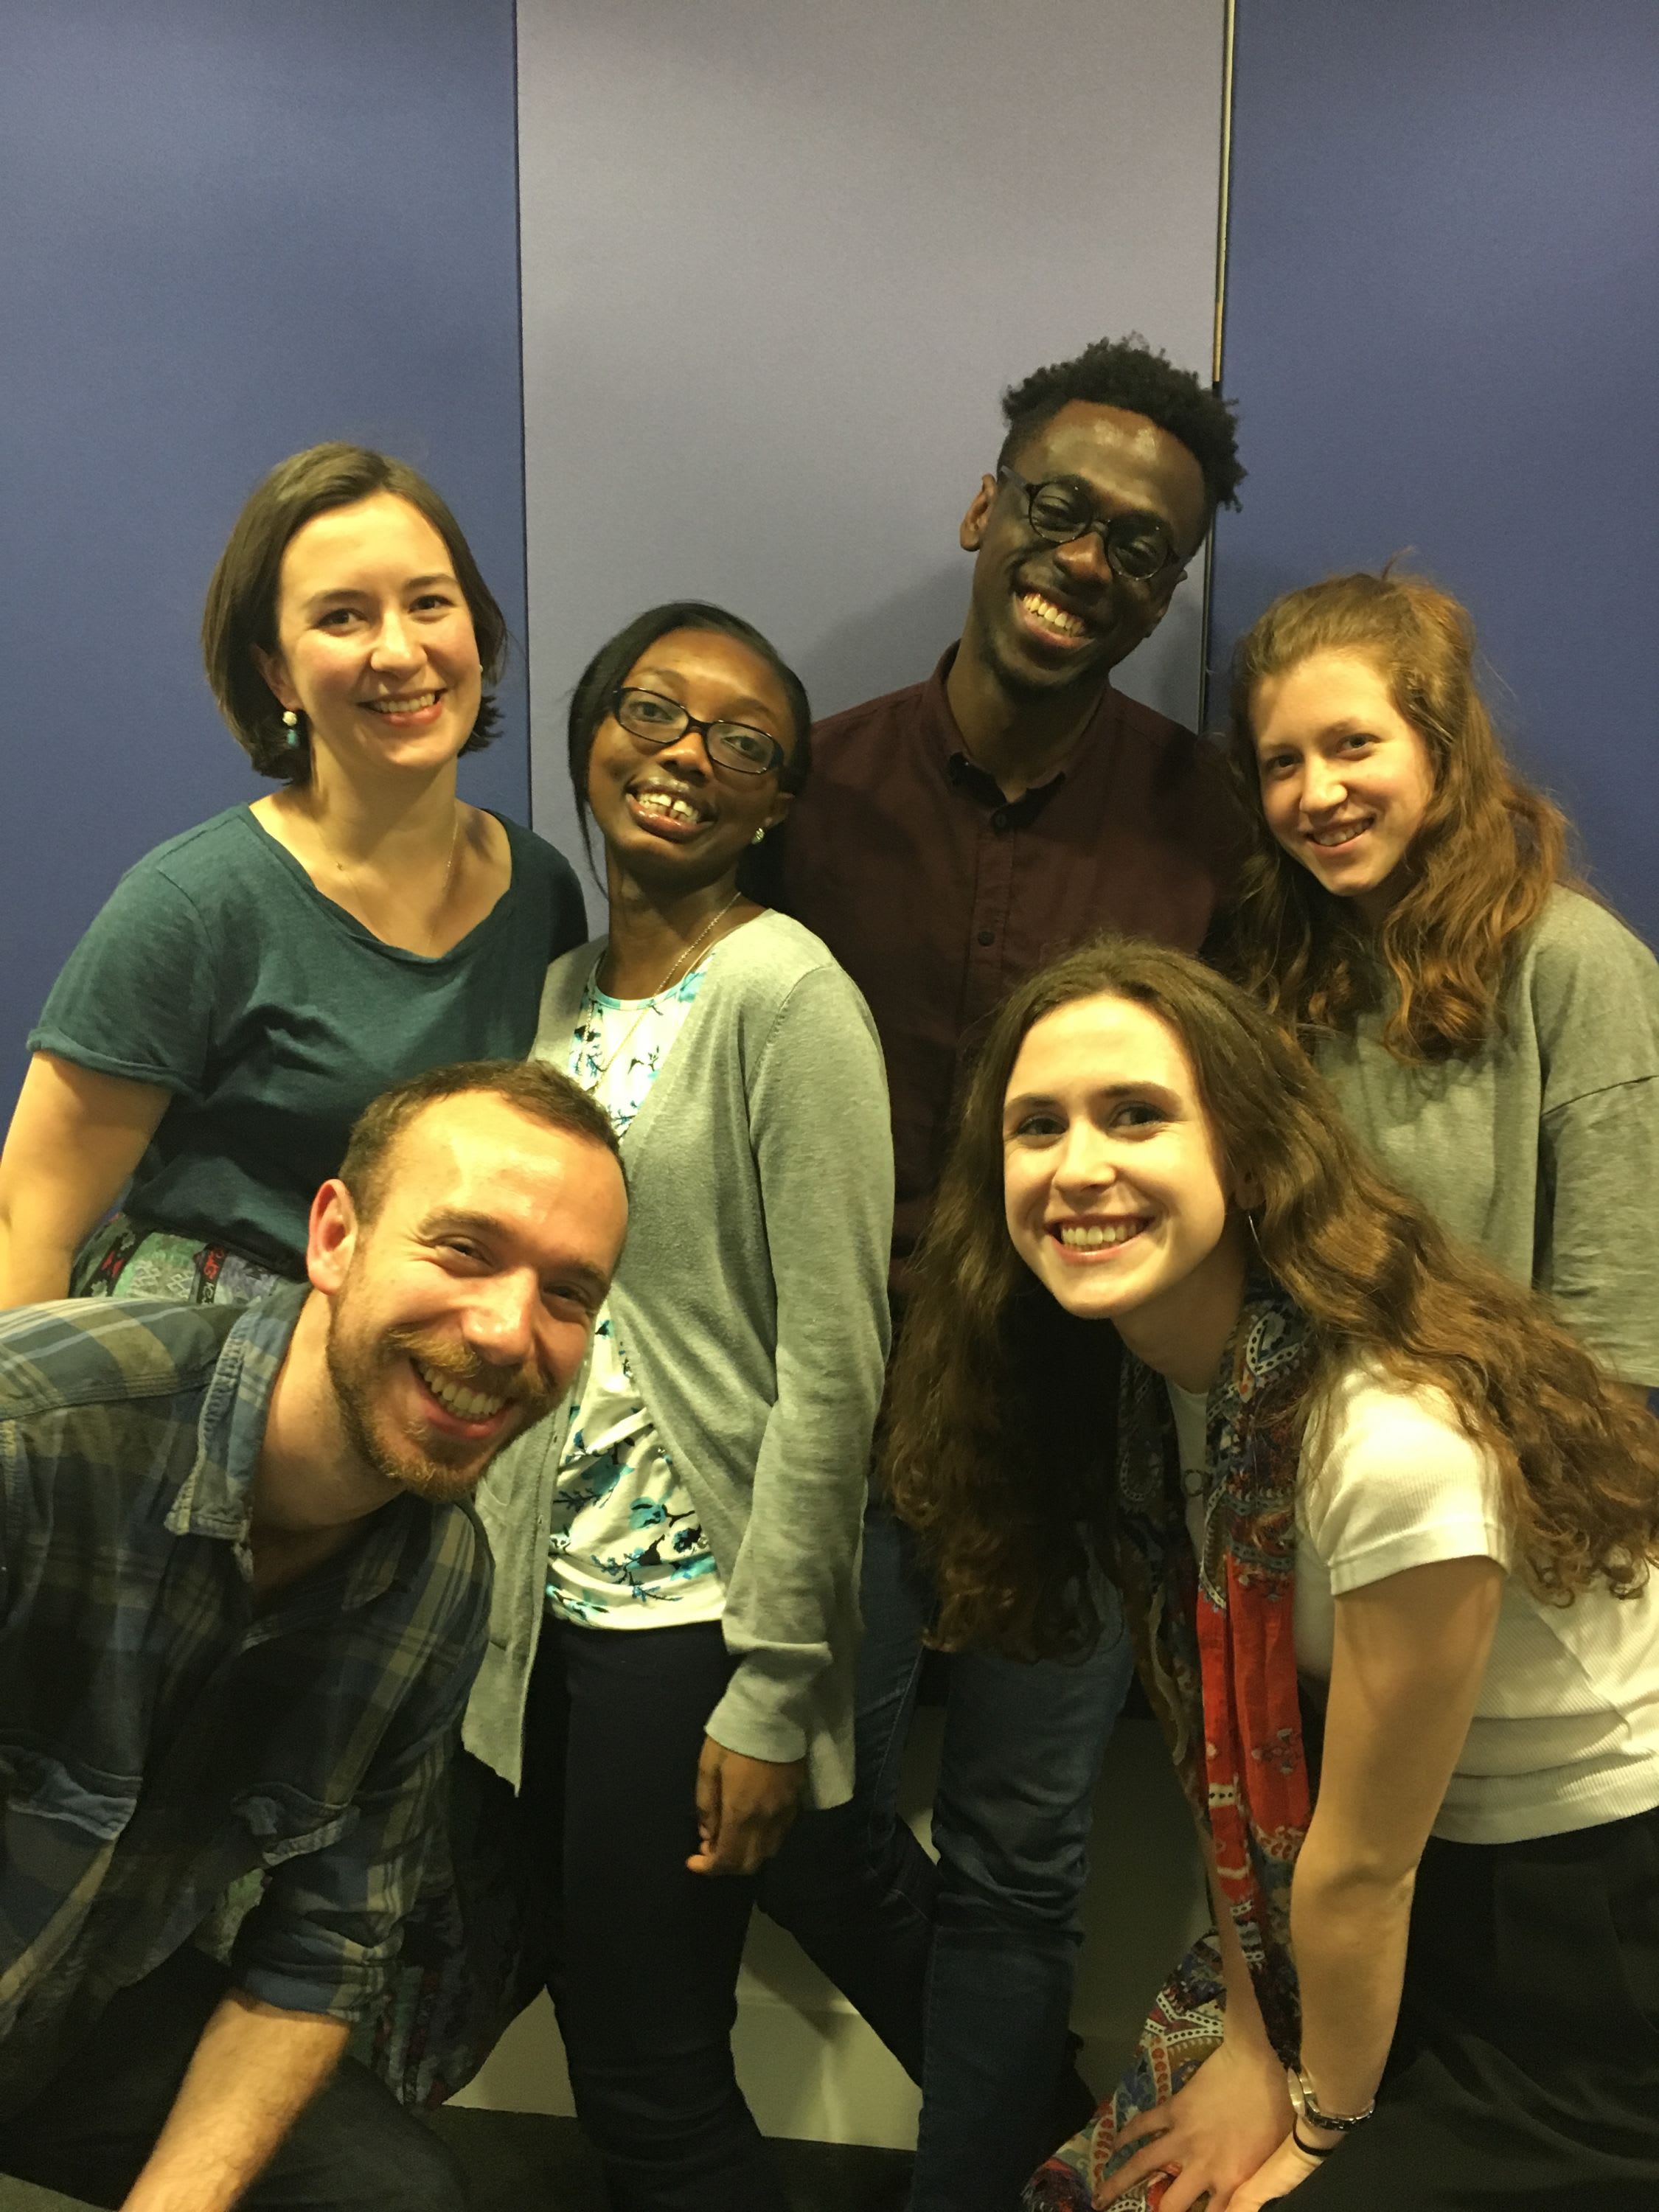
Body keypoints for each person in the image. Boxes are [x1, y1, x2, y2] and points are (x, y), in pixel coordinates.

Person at [880, 933, 1659, 2211]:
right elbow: (1226, 1756)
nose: (1080, 1169)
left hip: (1589, 1946)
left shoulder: (1391, 1440)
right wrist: (1250, 2034)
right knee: (1103, 2188)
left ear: (1242, 1149)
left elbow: (1360, 1869)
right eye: (1037, 1127)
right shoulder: (1162, 1392)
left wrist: (1313, 2121)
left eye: (1136, 1117)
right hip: (1394, 1912)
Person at [760, 335, 1245, 2211]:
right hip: (840, 1407)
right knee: (799, 1813)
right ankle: (1044, 2114)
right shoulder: (806, 785)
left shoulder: (1213, 825)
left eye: (1145, 545)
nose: (1091, 558)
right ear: (986, 511)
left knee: (1027, 1861)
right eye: (1061, 508)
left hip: (1079, 1427)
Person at [0, 1059, 628, 2212]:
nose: (505, 1332)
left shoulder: (438, 1592)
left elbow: (316, 1960)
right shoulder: (36, 1436)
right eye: (465, 1250)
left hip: (72, 2008)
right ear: (335, 1237)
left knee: (394, 2192)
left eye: (567, 1295)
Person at [459, 604, 893, 2211]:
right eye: (653, 709)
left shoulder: (787, 996)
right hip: (549, 1619)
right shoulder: (559, 992)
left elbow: (835, 1366)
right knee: (599, 2021)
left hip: (687, 1625)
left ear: (778, 804)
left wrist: (771, 1688)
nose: (686, 755)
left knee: (651, 2075)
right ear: (590, 731)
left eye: (743, 742)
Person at [0, 442, 586, 1310]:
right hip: (190, 1381)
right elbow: (26, 1223)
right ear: (277, 670)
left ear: (478, 631)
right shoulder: (193, 905)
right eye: (342, 618)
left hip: (414, 1365)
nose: (398, 652)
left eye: (429, 603)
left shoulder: (541, 890)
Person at [1225, 567, 1659, 1393]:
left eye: (1354, 743)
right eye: (1283, 762)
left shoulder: (1574, 968)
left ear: (1440, 746)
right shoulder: (1269, 981)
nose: (1318, 792)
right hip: (1300, 1484)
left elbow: (1616, 1341)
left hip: (1511, 1491)